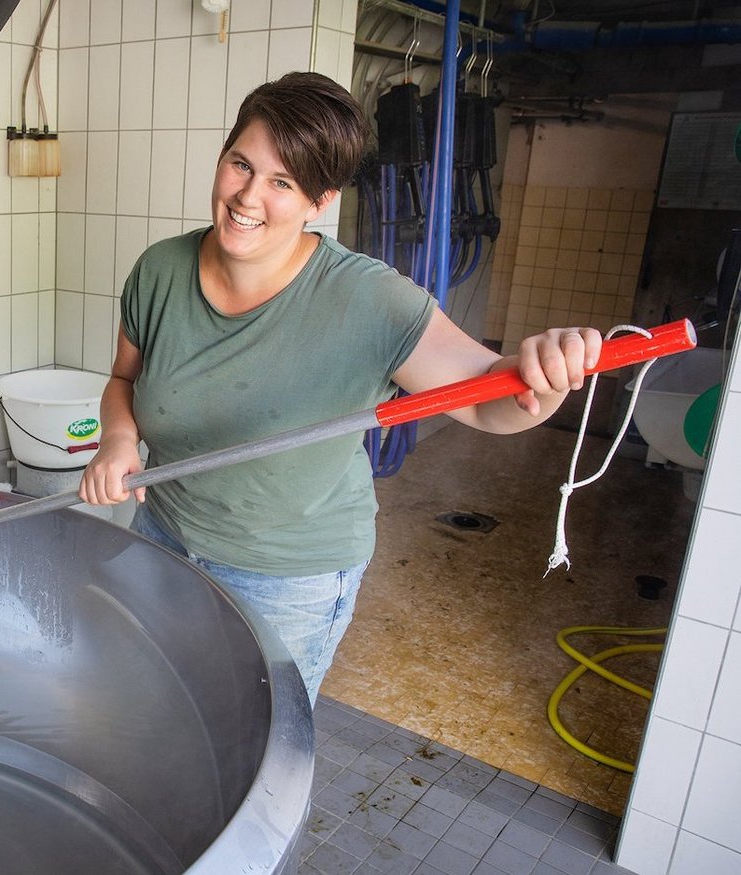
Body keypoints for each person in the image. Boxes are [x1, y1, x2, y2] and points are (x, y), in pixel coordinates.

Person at [77, 72, 602, 706]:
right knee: (150, 702)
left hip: (287, 577)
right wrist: (118, 440)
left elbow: (491, 405)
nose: (248, 196)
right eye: (241, 165)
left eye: (283, 182)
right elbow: (124, 380)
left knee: (258, 735)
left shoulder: (368, 299)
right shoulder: (161, 270)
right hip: (163, 537)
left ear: (320, 200)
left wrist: (543, 376)